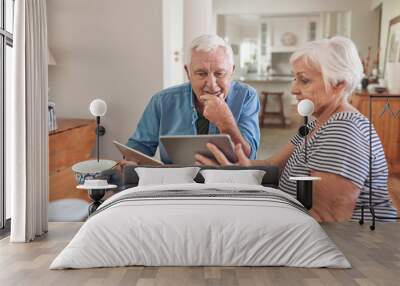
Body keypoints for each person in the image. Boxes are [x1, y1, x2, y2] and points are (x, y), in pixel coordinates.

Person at [195, 36, 397, 222]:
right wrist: (240, 170)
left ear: (339, 85)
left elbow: (327, 220)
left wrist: (250, 204)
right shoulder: (316, 124)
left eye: (305, 80)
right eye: (294, 78)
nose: (293, 89)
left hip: (351, 248)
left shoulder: (345, 129)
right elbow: (273, 166)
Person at [126, 34, 260, 164]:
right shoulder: (162, 101)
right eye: (201, 73)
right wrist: (131, 161)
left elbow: (249, 157)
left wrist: (225, 122)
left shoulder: (247, 97)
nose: (212, 84)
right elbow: (138, 147)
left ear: (231, 71)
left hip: (228, 182)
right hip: (175, 182)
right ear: (188, 73)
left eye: (219, 73)